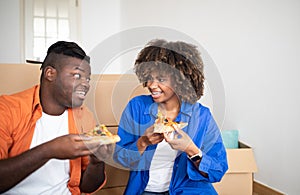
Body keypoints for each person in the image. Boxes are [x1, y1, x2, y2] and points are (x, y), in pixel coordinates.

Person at [113, 39, 228, 195]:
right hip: (145, 191)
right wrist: (143, 142)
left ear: (181, 80)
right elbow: (121, 158)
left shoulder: (201, 116)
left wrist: (191, 149)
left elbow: (217, 171)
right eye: (149, 78)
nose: (152, 85)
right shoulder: (137, 107)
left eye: (160, 79)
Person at [0, 41, 111, 194]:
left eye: (88, 79)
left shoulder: (84, 116)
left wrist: (97, 162)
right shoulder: (7, 109)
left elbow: (87, 187)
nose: (85, 84)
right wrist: (49, 150)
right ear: (50, 73)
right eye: (77, 75)